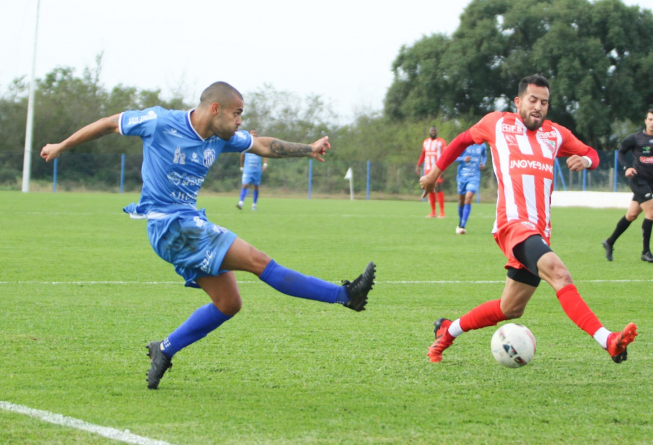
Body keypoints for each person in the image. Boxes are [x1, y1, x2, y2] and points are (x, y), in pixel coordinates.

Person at [40, 81, 376, 390]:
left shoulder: (221, 138)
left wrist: (309, 148)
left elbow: (261, 145)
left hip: (187, 225)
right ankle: (344, 296)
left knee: (229, 303)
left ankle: (164, 348)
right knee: (259, 261)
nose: (240, 121)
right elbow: (109, 123)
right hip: (171, 226)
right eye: (237, 113)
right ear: (215, 109)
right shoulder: (159, 121)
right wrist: (61, 145)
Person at [421, 74, 637, 365]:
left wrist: (586, 161)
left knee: (510, 308)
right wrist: (435, 173)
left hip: (539, 232)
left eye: (544, 102)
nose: (538, 107)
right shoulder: (496, 123)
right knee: (560, 274)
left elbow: (592, 154)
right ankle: (608, 340)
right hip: (512, 226)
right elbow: (461, 141)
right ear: (518, 101)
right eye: (532, 100)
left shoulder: (555, 134)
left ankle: (448, 330)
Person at [602, 109, 653, 263]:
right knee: (652, 212)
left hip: (650, 181)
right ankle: (645, 252)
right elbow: (621, 153)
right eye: (650, 119)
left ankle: (609, 242)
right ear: (645, 121)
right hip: (638, 180)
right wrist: (626, 167)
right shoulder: (635, 138)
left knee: (632, 215)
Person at [454, 143, 488, 234]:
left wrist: (483, 163)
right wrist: (463, 159)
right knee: (461, 201)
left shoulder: (482, 145)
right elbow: (453, 157)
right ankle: (460, 222)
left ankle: (463, 225)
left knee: (468, 199)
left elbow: (485, 156)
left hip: (474, 176)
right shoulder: (464, 144)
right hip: (462, 176)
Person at [416, 126, 447, 218]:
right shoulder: (425, 142)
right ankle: (433, 212)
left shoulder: (441, 142)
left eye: (434, 131)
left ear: (437, 132)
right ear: (429, 132)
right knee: (430, 189)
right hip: (427, 169)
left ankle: (442, 212)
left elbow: (445, 155)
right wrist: (418, 165)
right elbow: (423, 154)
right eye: (432, 131)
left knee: (439, 189)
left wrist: (443, 169)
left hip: (437, 169)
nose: (433, 132)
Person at [237, 129, 267, 210]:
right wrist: (241, 166)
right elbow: (242, 156)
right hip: (248, 169)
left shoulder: (260, 144)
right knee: (245, 184)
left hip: (257, 169)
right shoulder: (246, 144)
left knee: (256, 187)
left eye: (255, 133)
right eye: (252, 132)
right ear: (249, 134)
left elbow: (265, 153)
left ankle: (254, 204)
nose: (254, 134)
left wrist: (265, 164)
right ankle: (241, 203)